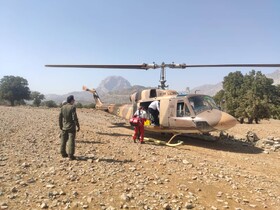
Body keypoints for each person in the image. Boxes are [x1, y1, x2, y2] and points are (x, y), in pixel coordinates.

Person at [59, 95, 80, 160]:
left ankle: (63, 153)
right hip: (71, 127)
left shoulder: (62, 107)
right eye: (73, 100)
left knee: (63, 140)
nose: (74, 101)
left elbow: (60, 118)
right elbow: (75, 118)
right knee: (71, 140)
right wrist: (78, 125)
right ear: (71, 100)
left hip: (64, 127)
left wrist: (61, 126)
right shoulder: (72, 107)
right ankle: (71, 155)